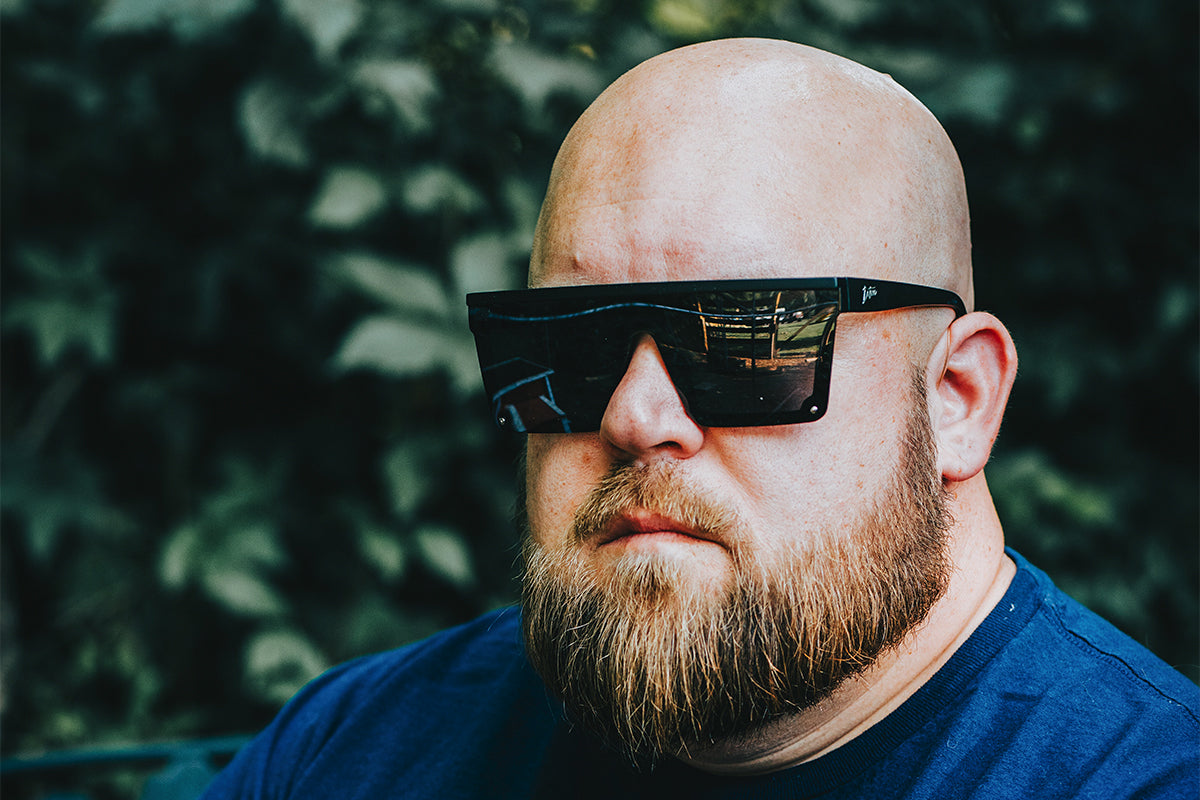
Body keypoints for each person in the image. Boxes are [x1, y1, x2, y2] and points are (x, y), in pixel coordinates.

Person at [203, 38, 1198, 799]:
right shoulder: (358, 746)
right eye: (571, 345)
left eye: (743, 342)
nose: (637, 414)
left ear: (957, 400)